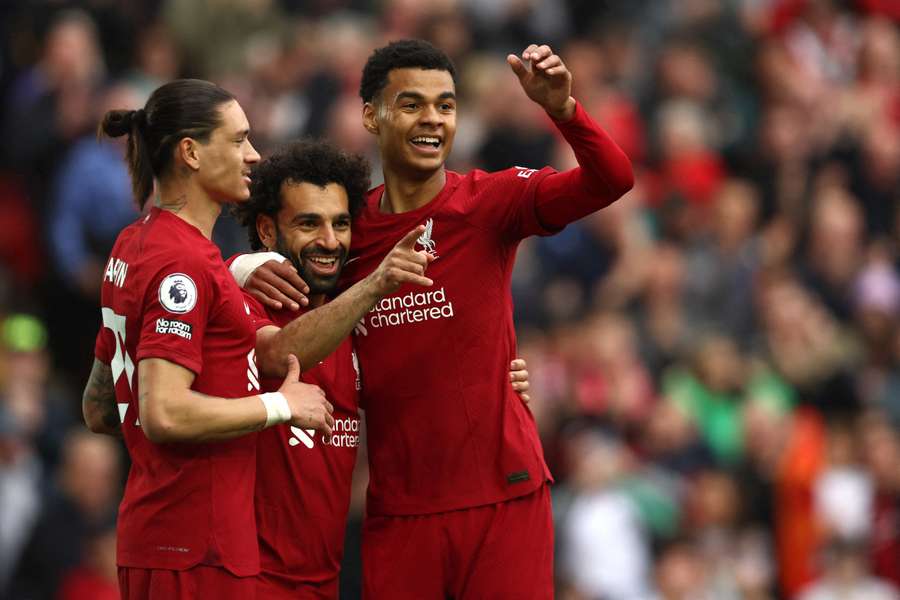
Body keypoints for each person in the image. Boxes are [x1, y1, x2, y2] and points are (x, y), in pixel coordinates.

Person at [240, 39, 633, 597]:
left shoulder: (489, 202)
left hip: (505, 496)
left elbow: (611, 179)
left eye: (446, 106)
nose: (432, 119)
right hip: (401, 515)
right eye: (413, 104)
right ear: (371, 115)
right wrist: (241, 265)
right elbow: (283, 300)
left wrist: (563, 110)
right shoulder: (346, 234)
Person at [230, 138, 532, 598]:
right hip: (247, 577)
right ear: (268, 232)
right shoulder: (242, 303)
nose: (329, 241)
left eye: (341, 223)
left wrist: (497, 380)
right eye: (309, 223)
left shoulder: (353, 321)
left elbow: (417, 375)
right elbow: (276, 353)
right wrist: (234, 267)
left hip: (324, 576)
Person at [82, 78, 334, 600]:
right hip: (198, 551)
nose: (254, 154)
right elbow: (165, 413)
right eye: (239, 140)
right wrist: (278, 405)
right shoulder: (185, 262)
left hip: (157, 539)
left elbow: (100, 408)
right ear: (191, 152)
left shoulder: (135, 245)